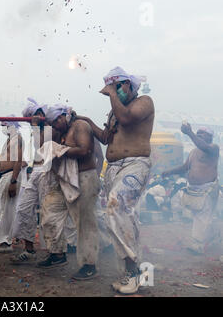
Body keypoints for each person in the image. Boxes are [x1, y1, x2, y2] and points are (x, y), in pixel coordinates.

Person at [79, 67, 154, 294]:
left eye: (118, 86)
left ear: (129, 85)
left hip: (135, 164)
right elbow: (105, 138)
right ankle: (137, 273)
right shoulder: (114, 112)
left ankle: (134, 272)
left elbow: (127, 117)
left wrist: (112, 94)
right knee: (122, 218)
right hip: (112, 168)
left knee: (116, 205)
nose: (114, 91)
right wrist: (86, 120)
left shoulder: (144, 102)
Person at [37, 105, 101, 281]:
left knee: (84, 223)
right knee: (49, 212)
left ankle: (89, 265)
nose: (55, 125)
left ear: (64, 116)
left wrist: (61, 151)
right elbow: (41, 146)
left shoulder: (80, 125)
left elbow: (84, 149)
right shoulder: (60, 131)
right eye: (52, 123)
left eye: (56, 121)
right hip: (64, 178)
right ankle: (57, 254)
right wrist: (42, 128)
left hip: (84, 178)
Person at [162, 125, 220, 254]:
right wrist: (169, 172)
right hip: (194, 189)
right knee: (199, 216)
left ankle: (198, 245)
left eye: (202, 133)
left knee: (202, 217)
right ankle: (214, 237)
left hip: (207, 189)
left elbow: (204, 146)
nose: (198, 134)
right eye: (198, 133)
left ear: (210, 137)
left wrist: (190, 133)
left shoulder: (213, 148)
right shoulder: (193, 151)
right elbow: (185, 167)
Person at [10, 100, 49, 263]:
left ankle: (54, 252)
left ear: (39, 115)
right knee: (24, 209)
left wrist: (34, 125)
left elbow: (41, 148)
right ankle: (29, 248)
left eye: (29, 118)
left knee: (48, 213)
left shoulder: (48, 128)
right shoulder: (37, 130)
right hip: (36, 171)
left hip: (47, 172)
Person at [0, 117, 25, 253]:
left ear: (12, 126)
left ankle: (6, 242)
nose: (3, 128)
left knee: (7, 210)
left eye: (5, 125)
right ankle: (14, 230)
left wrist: (13, 181)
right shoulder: (10, 139)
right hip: (4, 175)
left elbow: (18, 160)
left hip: (11, 176)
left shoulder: (18, 138)